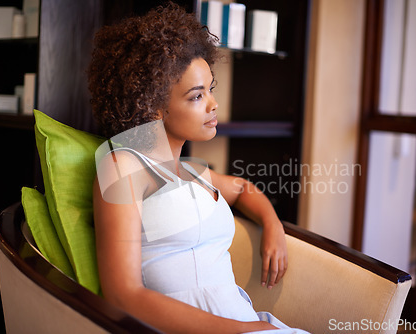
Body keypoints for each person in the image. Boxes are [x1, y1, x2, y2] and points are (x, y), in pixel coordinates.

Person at [88, 3, 308, 333]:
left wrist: (272, 223)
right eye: (196, 96)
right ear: (154, 108)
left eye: (211, 89)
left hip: (250, 323)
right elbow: (123, 296)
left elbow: (243, 189)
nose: (213, 103)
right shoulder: (123, 167)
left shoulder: (193, 171)